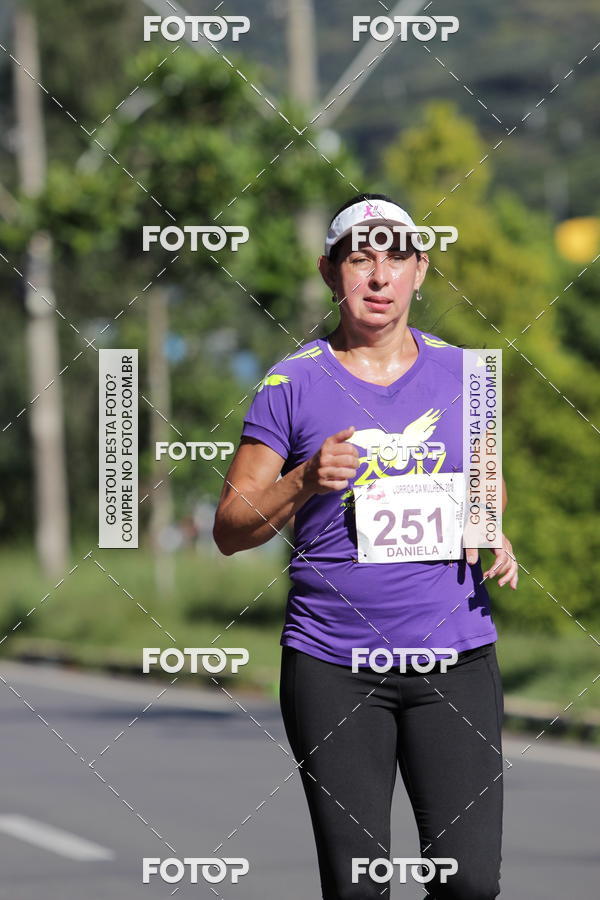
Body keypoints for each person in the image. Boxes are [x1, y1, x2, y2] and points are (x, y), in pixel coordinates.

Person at [213, 193, 518, 899]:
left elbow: (486, 491)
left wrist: (491, 525)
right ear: (330, 273)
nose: (378, 277)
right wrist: (303, 481)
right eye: (360, 259)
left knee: (468, 883)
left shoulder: (470, 377)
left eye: (396, 259)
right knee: (357, 888)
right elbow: (231, 526)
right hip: (333, 663)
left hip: (456, 656)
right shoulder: (290, 384)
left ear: (421, 270)